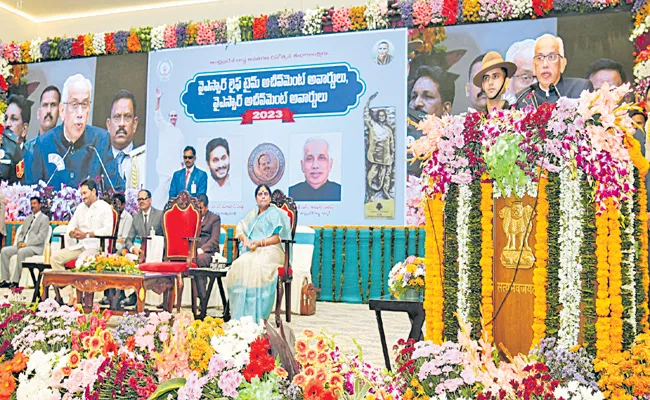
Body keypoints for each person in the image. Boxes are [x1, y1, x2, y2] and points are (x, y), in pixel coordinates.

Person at [28, 74, 125, 191]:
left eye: (84, 105)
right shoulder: (44, 143)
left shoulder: (101, 140)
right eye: (74, 104)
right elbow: (32, 193)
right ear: (62, 111)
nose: (80, 113)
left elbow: (117, 190)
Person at [224, 184, 291, 323]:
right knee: (240, 263)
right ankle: (242, 316)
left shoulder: (276, 213)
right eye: (260, 194)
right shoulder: (253, 214)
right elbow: (240, 228)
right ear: (256, 198)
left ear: (270, 197)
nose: (263, 196)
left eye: (265, 194)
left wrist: (259, 243)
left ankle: (259, 316)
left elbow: (280, 237)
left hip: (272, 249)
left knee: (258, 265)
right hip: (254, 249)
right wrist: (245, 239)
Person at [50, 179, 113, 305]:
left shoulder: (104, 207)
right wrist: (72, 232)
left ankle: (83, 300)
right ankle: (70, 296)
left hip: (96, 247)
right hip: (81, 245)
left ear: (94, 191)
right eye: (81, 194)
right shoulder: (80, 208)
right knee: (55, 258)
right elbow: (71, 225)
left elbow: (108, 231)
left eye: (85, 193)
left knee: (80, 263)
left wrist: (88, 234)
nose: (83, 197)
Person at [516, 34, 593, 108]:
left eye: (551, 57)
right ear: (534, 66)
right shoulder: (522, 99)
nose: (545, 64)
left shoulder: (580, 89)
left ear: (562, 64)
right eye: (539, 58)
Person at [118, 189, 163, 308]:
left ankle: (136, 296)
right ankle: (129, 295)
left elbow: (166, 237)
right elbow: (128, 239)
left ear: (150, 200)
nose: (141, 201)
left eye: (144, 199)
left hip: (158, 253)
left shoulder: (160, 215)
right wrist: (133, 249)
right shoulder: (136, 217)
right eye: (139, 199)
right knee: (125, 258)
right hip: (141, 253)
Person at [0, 197, 48, 289]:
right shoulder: (28, 218)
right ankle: (5, 280)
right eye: (31, 204)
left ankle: (15, 281)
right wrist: (20, 242)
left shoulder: (44, 219)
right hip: (23, 245)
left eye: (34, 203)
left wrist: (27, 244)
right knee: (4, 251)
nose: (32, 206)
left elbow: (41, 237)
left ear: (40, 205)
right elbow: (22, 233)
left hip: (35, 248)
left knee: (21, 252)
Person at [152, 88, 186, 207]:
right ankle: (154, 208)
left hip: (176, 167)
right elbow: (157, 115)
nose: (173, 117)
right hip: (165, 167)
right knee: (162, 190)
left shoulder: (179, 132)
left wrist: (182, 165)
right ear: (168, 117)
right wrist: (158, 99)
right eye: (171, 116)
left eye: (175, 116)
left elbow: (181, 150)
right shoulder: (164, 127)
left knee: (174, 193)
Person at [107, 89, 146, 190]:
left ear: (134, 124)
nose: (121, 123)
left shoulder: (145, 161)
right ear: (108, 124)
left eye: (127, 117)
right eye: (117, 117)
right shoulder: (98, 160)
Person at [364, 92, 394, 200]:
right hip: (375, 154)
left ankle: (386, 191)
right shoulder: (373, 125)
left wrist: (392, 152)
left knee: (386, 174)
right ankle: (371, 190)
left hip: (386, 156)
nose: (381, 117)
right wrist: (368, 101)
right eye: (380, 115)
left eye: (383, 115)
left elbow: (391, 143)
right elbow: (366, 114)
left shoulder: (388, 129)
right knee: (373, 172)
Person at [24, 86, 61, 169]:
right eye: (45, 105)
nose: (48, 110)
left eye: (53, 105)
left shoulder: (64, 150)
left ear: (60, 112)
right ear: (38, 113)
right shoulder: (27, 149)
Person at [206, 137, 239, 202]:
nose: (221, 165)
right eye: (215, 160)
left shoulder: (238, 187)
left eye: (223, 158)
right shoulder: (205, 188)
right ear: (208, 164)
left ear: (229, 157)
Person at [195, 194, 221, 267]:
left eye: (200, 208)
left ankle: (201, 279)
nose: (198, 210)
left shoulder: (214, 219)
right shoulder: (192, 217)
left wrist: (202, 249)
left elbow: (214, 240)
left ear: (206, 207)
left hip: (208, 251)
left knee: (200, 258)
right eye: (196, 208)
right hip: (194, 250)